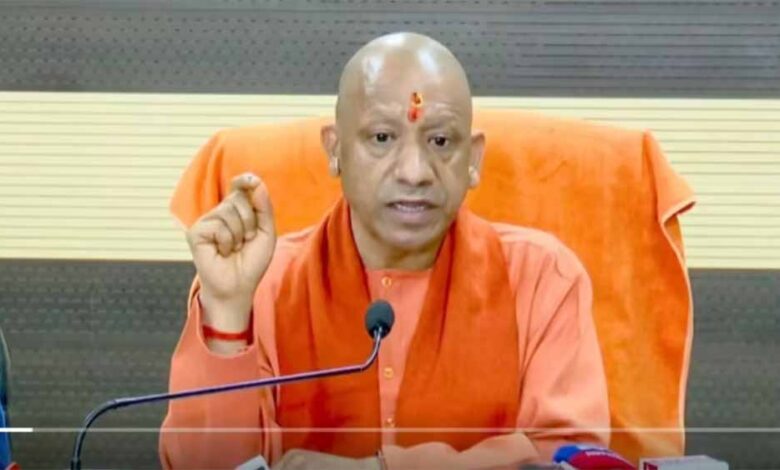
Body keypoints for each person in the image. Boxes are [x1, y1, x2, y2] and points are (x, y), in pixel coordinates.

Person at [160, 32, 610, 470]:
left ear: (473, 160)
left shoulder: (542, 277)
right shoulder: (265, 282)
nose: (414, 172)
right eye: (381, 138)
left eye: (440, 142)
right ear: (335, 150)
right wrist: (227, 312)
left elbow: (571, 457)